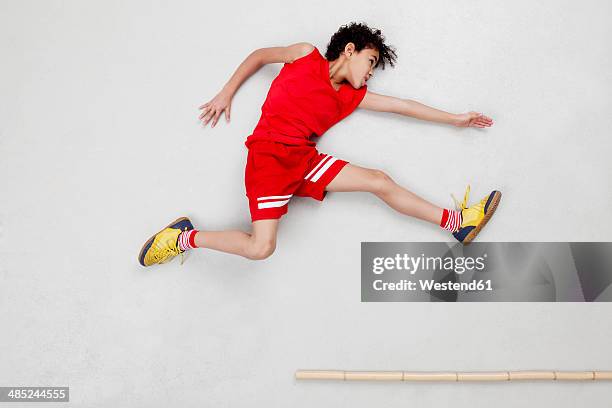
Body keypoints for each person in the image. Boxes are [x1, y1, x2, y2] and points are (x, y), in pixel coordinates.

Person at [138, 22, 501, 267]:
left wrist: (455, 118)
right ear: (349, 49)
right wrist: (225, 93)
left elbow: (401, 106)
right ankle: (184, 238)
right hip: (268, 157)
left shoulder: (351, 97)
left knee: (379, 180)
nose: (370, 72)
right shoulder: (304, 55)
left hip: (303, 158)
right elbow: (260, 56)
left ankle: (458, 223)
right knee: (261, 248)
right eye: (370, 61)